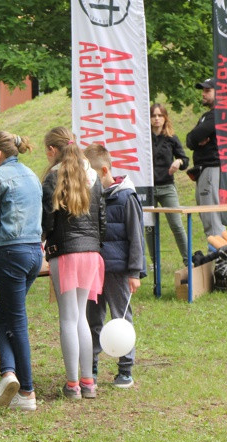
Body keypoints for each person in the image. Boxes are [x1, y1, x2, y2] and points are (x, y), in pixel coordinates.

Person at [41, 127, 105, 400]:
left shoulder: (53, 177)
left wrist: (45, 241)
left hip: (65, 251)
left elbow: (48, 220)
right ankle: (88, 381)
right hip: (92, 252)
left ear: (53, 151)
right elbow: (101, 217)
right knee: (82, 317)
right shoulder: (93, 176)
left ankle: (72, 384)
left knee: (68, 318)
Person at [0, 130, 43, 411]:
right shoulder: (31, 174)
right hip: (33, 253)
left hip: (10, 253)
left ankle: (27, 392)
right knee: (2, 318)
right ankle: (8, 375)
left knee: (15, 322)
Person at [84, 143, 145, 389]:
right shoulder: (92, 196)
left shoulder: (126, 196)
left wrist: (134, 272)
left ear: (104, 170)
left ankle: (125, 368)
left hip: (119, 272)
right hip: (94, 270)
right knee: (93, 320)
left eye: (90, 174)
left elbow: (136, 237)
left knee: (121, 318)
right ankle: (92, 367)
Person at [185, 77, 227, 249]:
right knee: (209, 220)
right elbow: (190, 140)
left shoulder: (219, 114)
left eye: (208, 90)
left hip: (211, 169)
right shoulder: (207, 116)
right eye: (203, 90)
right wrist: (194, 139)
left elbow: (194, 137)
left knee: (212, 222)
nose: (203, 94)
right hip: (203, 171)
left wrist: (194, 139)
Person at [148, 103, 190, 266]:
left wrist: (178, 162)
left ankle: (188, 260)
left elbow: (185, 160)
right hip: (149, 189)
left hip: (167, 187)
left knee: (176, 224)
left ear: (165, 118)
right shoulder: (145, 137)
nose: (157, 119)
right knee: (149, 227)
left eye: (160, 115)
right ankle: (154, 262)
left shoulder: (171, 138)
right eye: (154, 116)